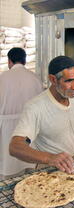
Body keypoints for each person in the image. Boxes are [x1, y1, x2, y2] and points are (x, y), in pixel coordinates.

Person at [0, 47, 43, 178]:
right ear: (24, 61)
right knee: (28, 168)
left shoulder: (3, 78)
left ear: (9, 61)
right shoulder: (35, 78)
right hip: (28, 128)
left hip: (6, 129)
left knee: (7, 165)